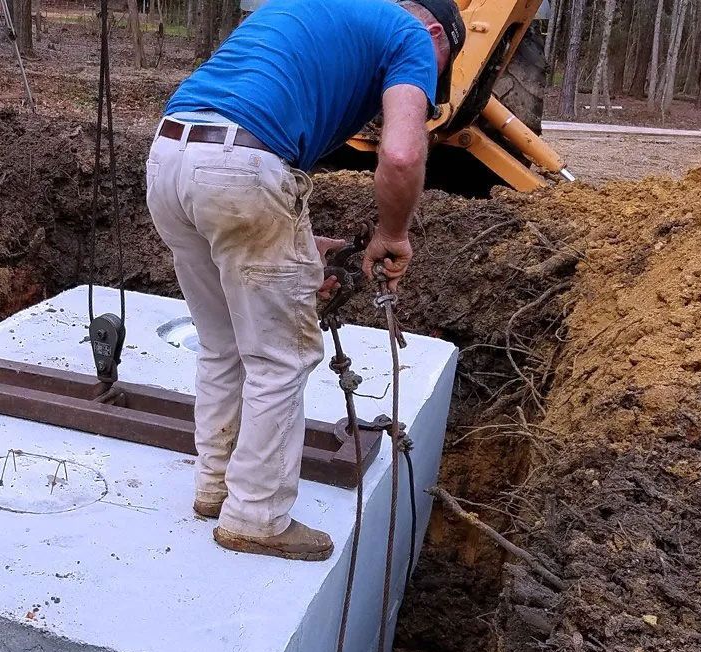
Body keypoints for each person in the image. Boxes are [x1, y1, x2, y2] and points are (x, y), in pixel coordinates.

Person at [145, 0, 464, 561]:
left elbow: (260, 128)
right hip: (241, 170)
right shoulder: (410, 37)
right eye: (440, 67)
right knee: (279, 358)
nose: (430, 84)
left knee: (221, 344)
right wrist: (393, 232)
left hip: (170, 157)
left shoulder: (317, 12)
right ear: (436, 32)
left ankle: (214, 487)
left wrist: (292, 239)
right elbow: (401, 151)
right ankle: (256, 517)